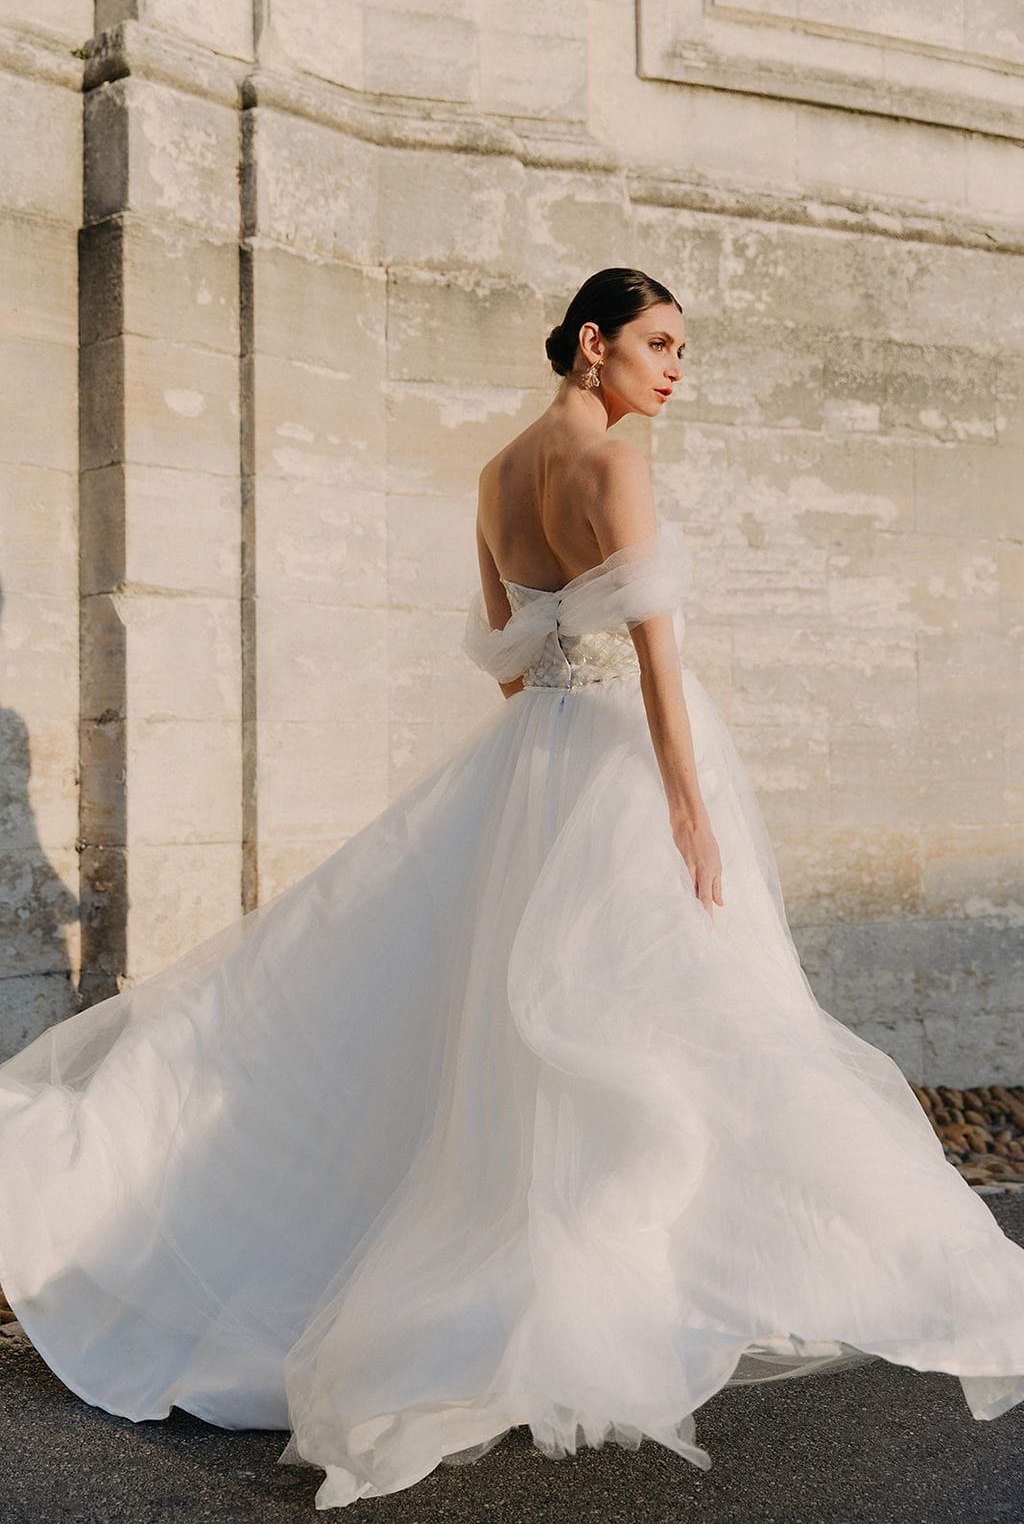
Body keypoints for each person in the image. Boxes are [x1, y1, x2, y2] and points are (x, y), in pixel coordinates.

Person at [1, 266, 1024, 1513]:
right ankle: (717, 1275)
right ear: (591, 346)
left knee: (520, 1028)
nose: (674, 371)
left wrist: (550, 726)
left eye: (681, 350)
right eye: (657, 345)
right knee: (701, 1019)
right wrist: (688, 808)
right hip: (625, 762)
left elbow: (502, 652)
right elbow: (654, 646)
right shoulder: (620, 465)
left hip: (531, 757)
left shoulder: (494, 477)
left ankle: (575, 1285)